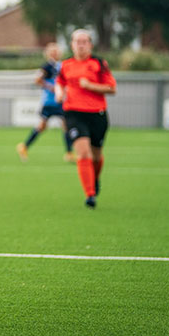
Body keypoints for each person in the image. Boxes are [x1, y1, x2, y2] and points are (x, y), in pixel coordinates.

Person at [54, 29, 116, 209]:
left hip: (97, 114)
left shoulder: (98, 63)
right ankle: (90, 195)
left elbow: (112, 88)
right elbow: (60, 82)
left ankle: (95, 178)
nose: (80, 45)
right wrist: (59, 93)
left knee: (96, 156)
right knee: (83, 153)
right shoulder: (66, 65)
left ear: (90, 44)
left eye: (84, 41)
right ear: (72, 44)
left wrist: (90, 85)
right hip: (73, 113)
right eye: (77, 41)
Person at [16, 43, 74, 163]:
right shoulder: (47, 66)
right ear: (48, 53)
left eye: (57, 51)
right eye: (53, 51)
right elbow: (37, 79)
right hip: (49, 101)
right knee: (42, 126)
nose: (55, 53)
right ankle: (24, 146)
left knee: (65, 125)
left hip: (60, 101)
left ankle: (69, 153)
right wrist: (51, 87)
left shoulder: (61, 65)